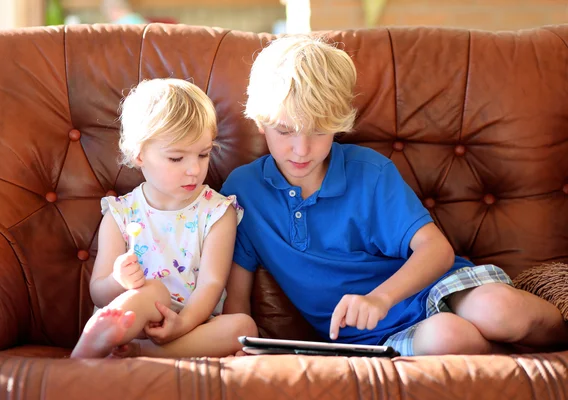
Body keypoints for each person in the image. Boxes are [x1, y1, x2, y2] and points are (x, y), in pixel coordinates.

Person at [220, 35, 568, 357]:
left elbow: (435, 250)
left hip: (438, 289)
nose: (301, 149)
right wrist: (238, 349)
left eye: (319, 131)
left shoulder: (368, 171)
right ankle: (502, 353)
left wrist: (379, 299)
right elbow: (237, 300)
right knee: (449, 338)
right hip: (377, 339)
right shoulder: (244, 191)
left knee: (498, 310)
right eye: (284, 131)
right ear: (261, 121)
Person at [71, 78, 257, 359]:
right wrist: (119, 280)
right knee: (154, 290)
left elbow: (211, 284)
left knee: (244, 327)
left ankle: (137, 353)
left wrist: (182, 324)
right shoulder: (120, 213)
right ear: (139, 155)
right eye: (176, 158)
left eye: (203, 154)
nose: (194, 169)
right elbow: (98, 293)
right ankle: (91, 349)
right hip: (132, 317)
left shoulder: (217, 212)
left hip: (193, 323)